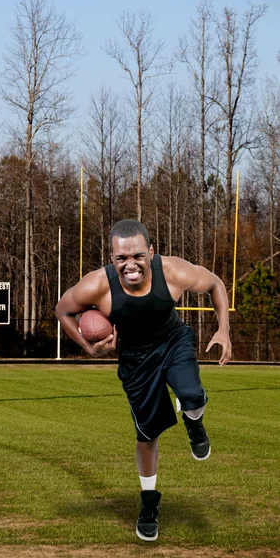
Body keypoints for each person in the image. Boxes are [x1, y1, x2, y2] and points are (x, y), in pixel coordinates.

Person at [55, 219, 232, 542]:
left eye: (137, 255)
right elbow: (63, 310)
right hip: (136, 359)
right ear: (112, 258)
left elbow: (215, 284)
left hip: (173, 342)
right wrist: (89, 347)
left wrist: (224, 330)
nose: (130, 264)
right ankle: (149, 501)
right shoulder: (98, 286)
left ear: (151, 252)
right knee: (147, 433)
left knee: (191, 394)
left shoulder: (174, 272)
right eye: (122, 258)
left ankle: (194, 419)